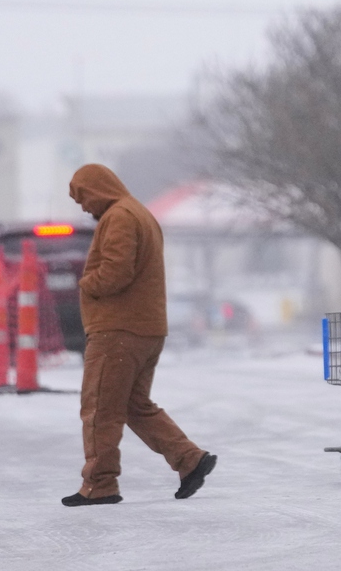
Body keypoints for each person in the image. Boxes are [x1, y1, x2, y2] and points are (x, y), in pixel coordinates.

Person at [62, 163, 216, 507]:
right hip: (145, 329)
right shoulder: (139, 213)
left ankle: (99, 485)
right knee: (134, 406)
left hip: (118, 331)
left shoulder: (119, 216)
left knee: (100, 409)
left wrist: (86, 284)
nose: (84, 207)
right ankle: (189, 460)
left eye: (83, 198)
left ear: (98, 189)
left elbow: (116, 271)